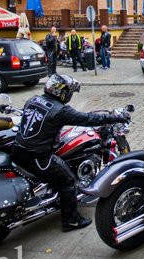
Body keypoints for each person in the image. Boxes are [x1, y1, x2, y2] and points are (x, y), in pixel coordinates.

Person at [11, 74, 131, 231]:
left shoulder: (33, 99)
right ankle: (71, 221)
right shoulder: (60, 110)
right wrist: (114, 117)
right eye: (69, 92)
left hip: (17, 150)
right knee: (68, 181)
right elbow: (88, 118)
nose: (70, 95)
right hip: (38, 157)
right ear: (62, 92)